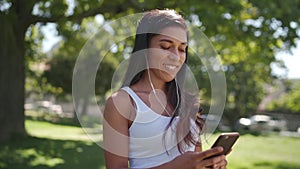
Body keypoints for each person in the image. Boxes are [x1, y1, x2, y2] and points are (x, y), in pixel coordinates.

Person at [103, 9, 228, 169]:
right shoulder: (122, 103)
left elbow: (194, 163)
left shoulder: (187, 103)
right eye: (165, 46)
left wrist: (210, 164)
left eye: (182, 49)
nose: (175, 56)